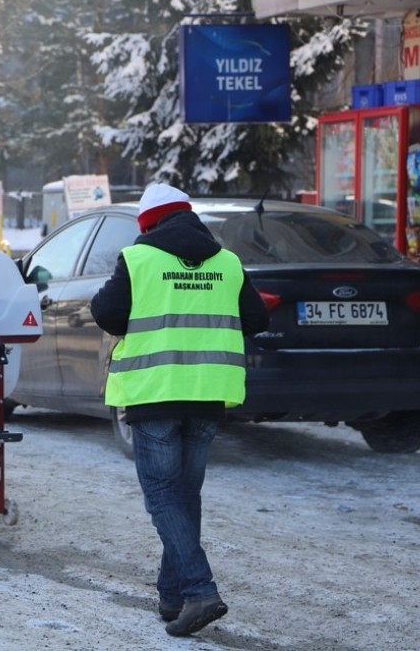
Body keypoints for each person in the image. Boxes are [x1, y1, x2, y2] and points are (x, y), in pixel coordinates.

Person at [89, 183, 269, 637]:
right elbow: (258, 320)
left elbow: (107, 314)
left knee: (163, 496)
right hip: (208, 394)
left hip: (155, 393)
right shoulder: (228, 263)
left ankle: (199, 590)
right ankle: (172, 597)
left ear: (147, 223)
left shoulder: (138, 259)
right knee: (184, 496)